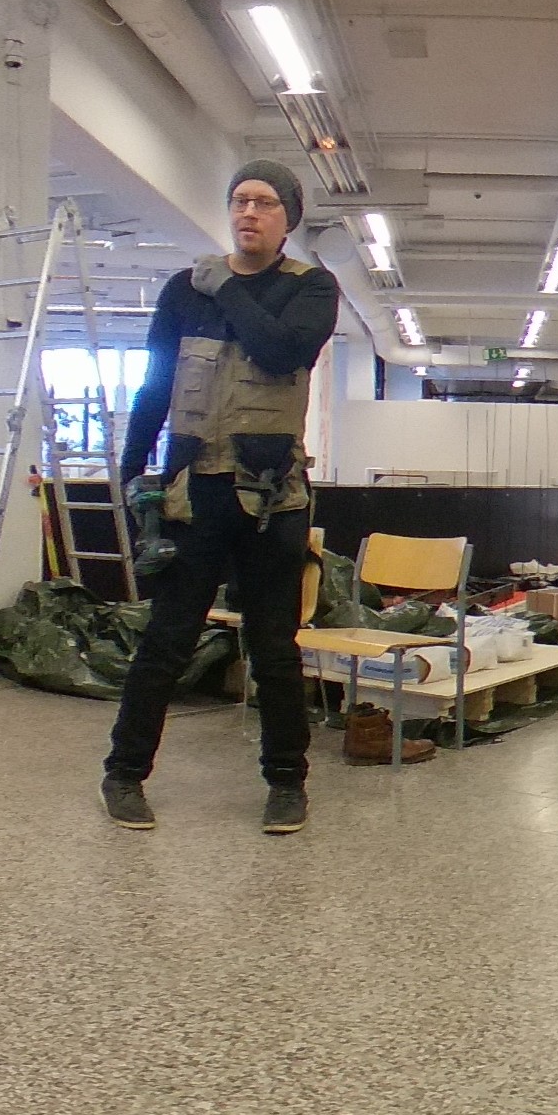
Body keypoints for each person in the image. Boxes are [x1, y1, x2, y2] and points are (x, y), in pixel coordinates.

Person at [99, 163, 340, 838]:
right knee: (167, 639)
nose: (249, 212)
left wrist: (228, 286)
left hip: (273, 497)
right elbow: (156, 382)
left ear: (288, 217)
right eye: (239, 201)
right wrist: (130, 470)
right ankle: (123, 773)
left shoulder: (312, 288)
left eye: (264, 202)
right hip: (193, 491)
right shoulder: (183, 290)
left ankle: (286, 782)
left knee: (274, 646)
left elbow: (279, 350)